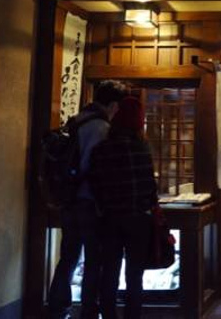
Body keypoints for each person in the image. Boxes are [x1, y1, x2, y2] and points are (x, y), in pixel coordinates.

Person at [47, 80, 126, 319]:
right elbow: (96, 167)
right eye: (118, 106)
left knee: (69, 255)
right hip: (89, 201)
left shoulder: (77, 120)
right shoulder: (101, 127)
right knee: (93, 258)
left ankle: (57, 308)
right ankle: (88, 310)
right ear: (113, 105)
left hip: (69, 199)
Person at [89, 96, 158, 319]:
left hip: (109, 218)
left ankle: (108, 314)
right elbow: (150, 186)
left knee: (109, 271)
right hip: (138, 218)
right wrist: (148, 206)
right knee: (135, 275)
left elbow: (95, 183)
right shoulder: (141, 149)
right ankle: (132, 315)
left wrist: (103, 206)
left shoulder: (101, 149)